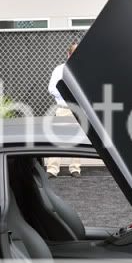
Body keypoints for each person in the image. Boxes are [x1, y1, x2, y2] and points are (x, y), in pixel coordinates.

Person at [45, 43, 81, 178]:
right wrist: (68, 94)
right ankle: (52, 169)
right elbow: (52, 88)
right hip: (63, 109)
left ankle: (75, 168)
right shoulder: (59, 70)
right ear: (68, 54)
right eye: (73, 54)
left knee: (77, 139)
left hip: (79, 110)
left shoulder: (84, 68)